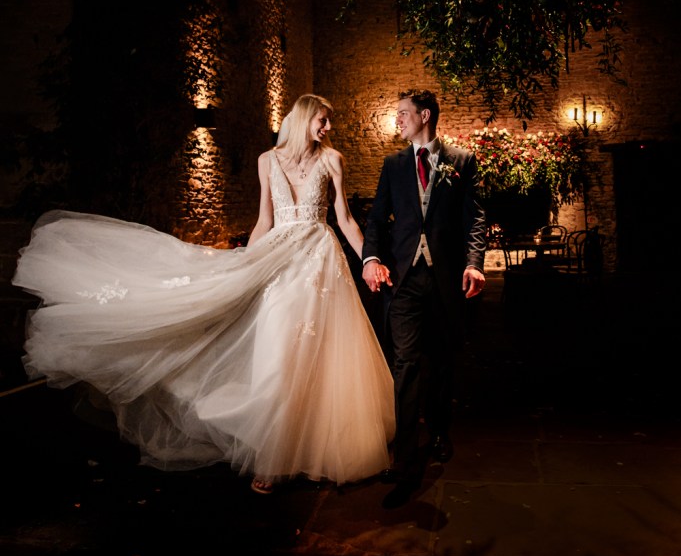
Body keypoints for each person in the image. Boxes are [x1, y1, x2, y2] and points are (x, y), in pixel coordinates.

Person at [12, 94, 395, 495]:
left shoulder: (333, 160)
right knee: (277, 354)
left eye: (328, 122)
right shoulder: (267, 160)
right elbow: (265, 219)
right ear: (303, 119)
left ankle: (318, 449)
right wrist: (247, 263)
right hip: (278, 261)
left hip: (319, 262)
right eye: (323, 120)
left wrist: (369, 259)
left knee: (323, 354)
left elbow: (346, 219)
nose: (328, 129)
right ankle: (272, 454)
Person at [362, 89, 486, 508]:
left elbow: (474, 217)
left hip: (446, 278)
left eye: (402, 114)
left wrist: (473, 263)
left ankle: (439, 430)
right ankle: (406, 458)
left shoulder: (462, 161)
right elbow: (377, 219)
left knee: (443, 359)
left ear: (424, 116)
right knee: (406, 363)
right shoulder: (393, 165)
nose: (397, 120)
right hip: (404, 280)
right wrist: (371, 258)